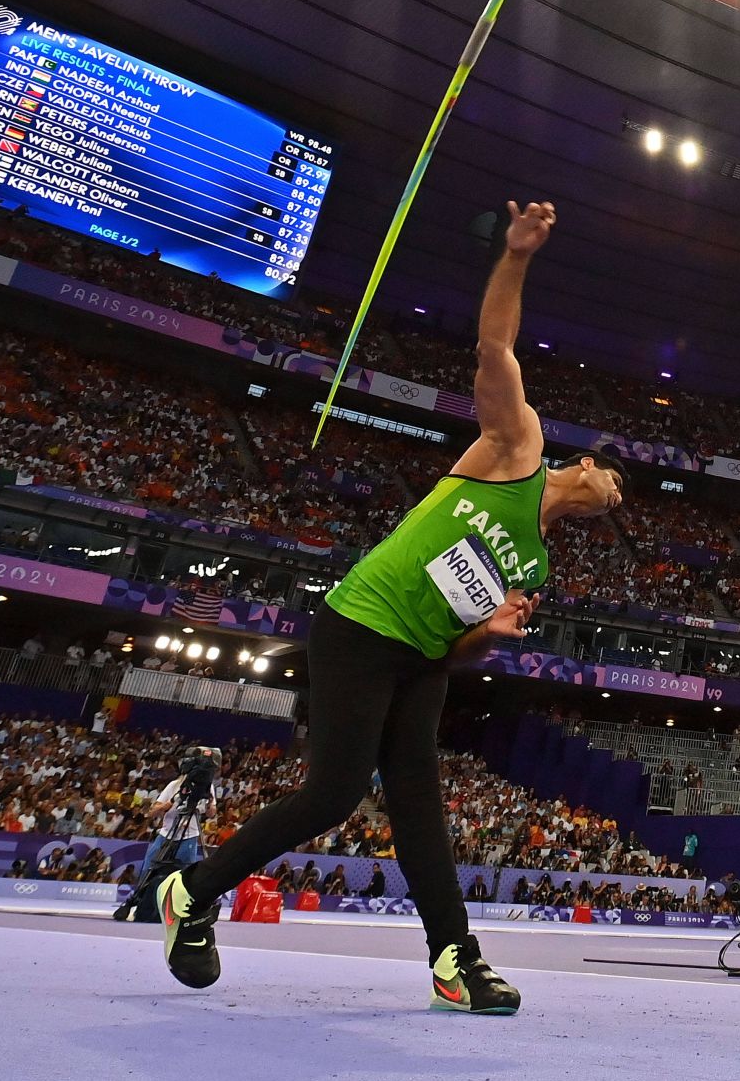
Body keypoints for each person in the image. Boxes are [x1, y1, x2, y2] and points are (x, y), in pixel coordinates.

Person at [156, 201, 628, 1015]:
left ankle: (456, 960)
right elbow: (496, 347)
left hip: (420, 658)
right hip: (359, 625)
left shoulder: (534, 562)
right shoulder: (515, 449)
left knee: (421, 805)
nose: (619, 491)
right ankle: (190, 892)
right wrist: (516, 256)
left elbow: (455, 642)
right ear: (584, 466)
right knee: (334, 795)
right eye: (617, 476)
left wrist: (490, 631)